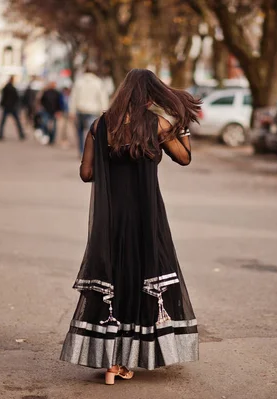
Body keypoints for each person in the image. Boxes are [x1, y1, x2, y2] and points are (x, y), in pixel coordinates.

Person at [59, 69, 201, 384]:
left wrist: (110, 161)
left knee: (115, 280)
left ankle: (112, 362)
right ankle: (129, 359)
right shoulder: (157, 124)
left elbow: (86, 174)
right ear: (149, 95)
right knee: (142, 280)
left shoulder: (100, 125)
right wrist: (183, 129)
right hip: (146, 218)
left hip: (111, 220)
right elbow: (185, 158)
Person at [69, 67, 109, 154]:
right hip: (93, 111)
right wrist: (104, 111)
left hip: (80, 110)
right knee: (92, 133)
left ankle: (81, 151)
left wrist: (71, 111)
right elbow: (102, 98)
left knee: (80, 132)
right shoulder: (98, 82)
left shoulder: (78, 82)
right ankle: (91, 152)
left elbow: (73, 97)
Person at [0, 76, 25, 141]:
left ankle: (0, 135)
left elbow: (3, 97)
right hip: (12, 107)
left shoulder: (5, 88)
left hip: (7, 107)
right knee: (17, 121)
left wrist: (2, 104)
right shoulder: (13, 88)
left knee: (3, 122)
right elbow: (17, 98)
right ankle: (21, 135)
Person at [39, 81, 63, 145]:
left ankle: (52, 139)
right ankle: (47, 135)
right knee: (45, 124)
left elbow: (60, 103)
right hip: (46, 111)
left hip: (54, 112)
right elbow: (41, 101)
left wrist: (59, 111)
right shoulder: (46, 92)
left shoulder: (57, 93)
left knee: (54, 127)